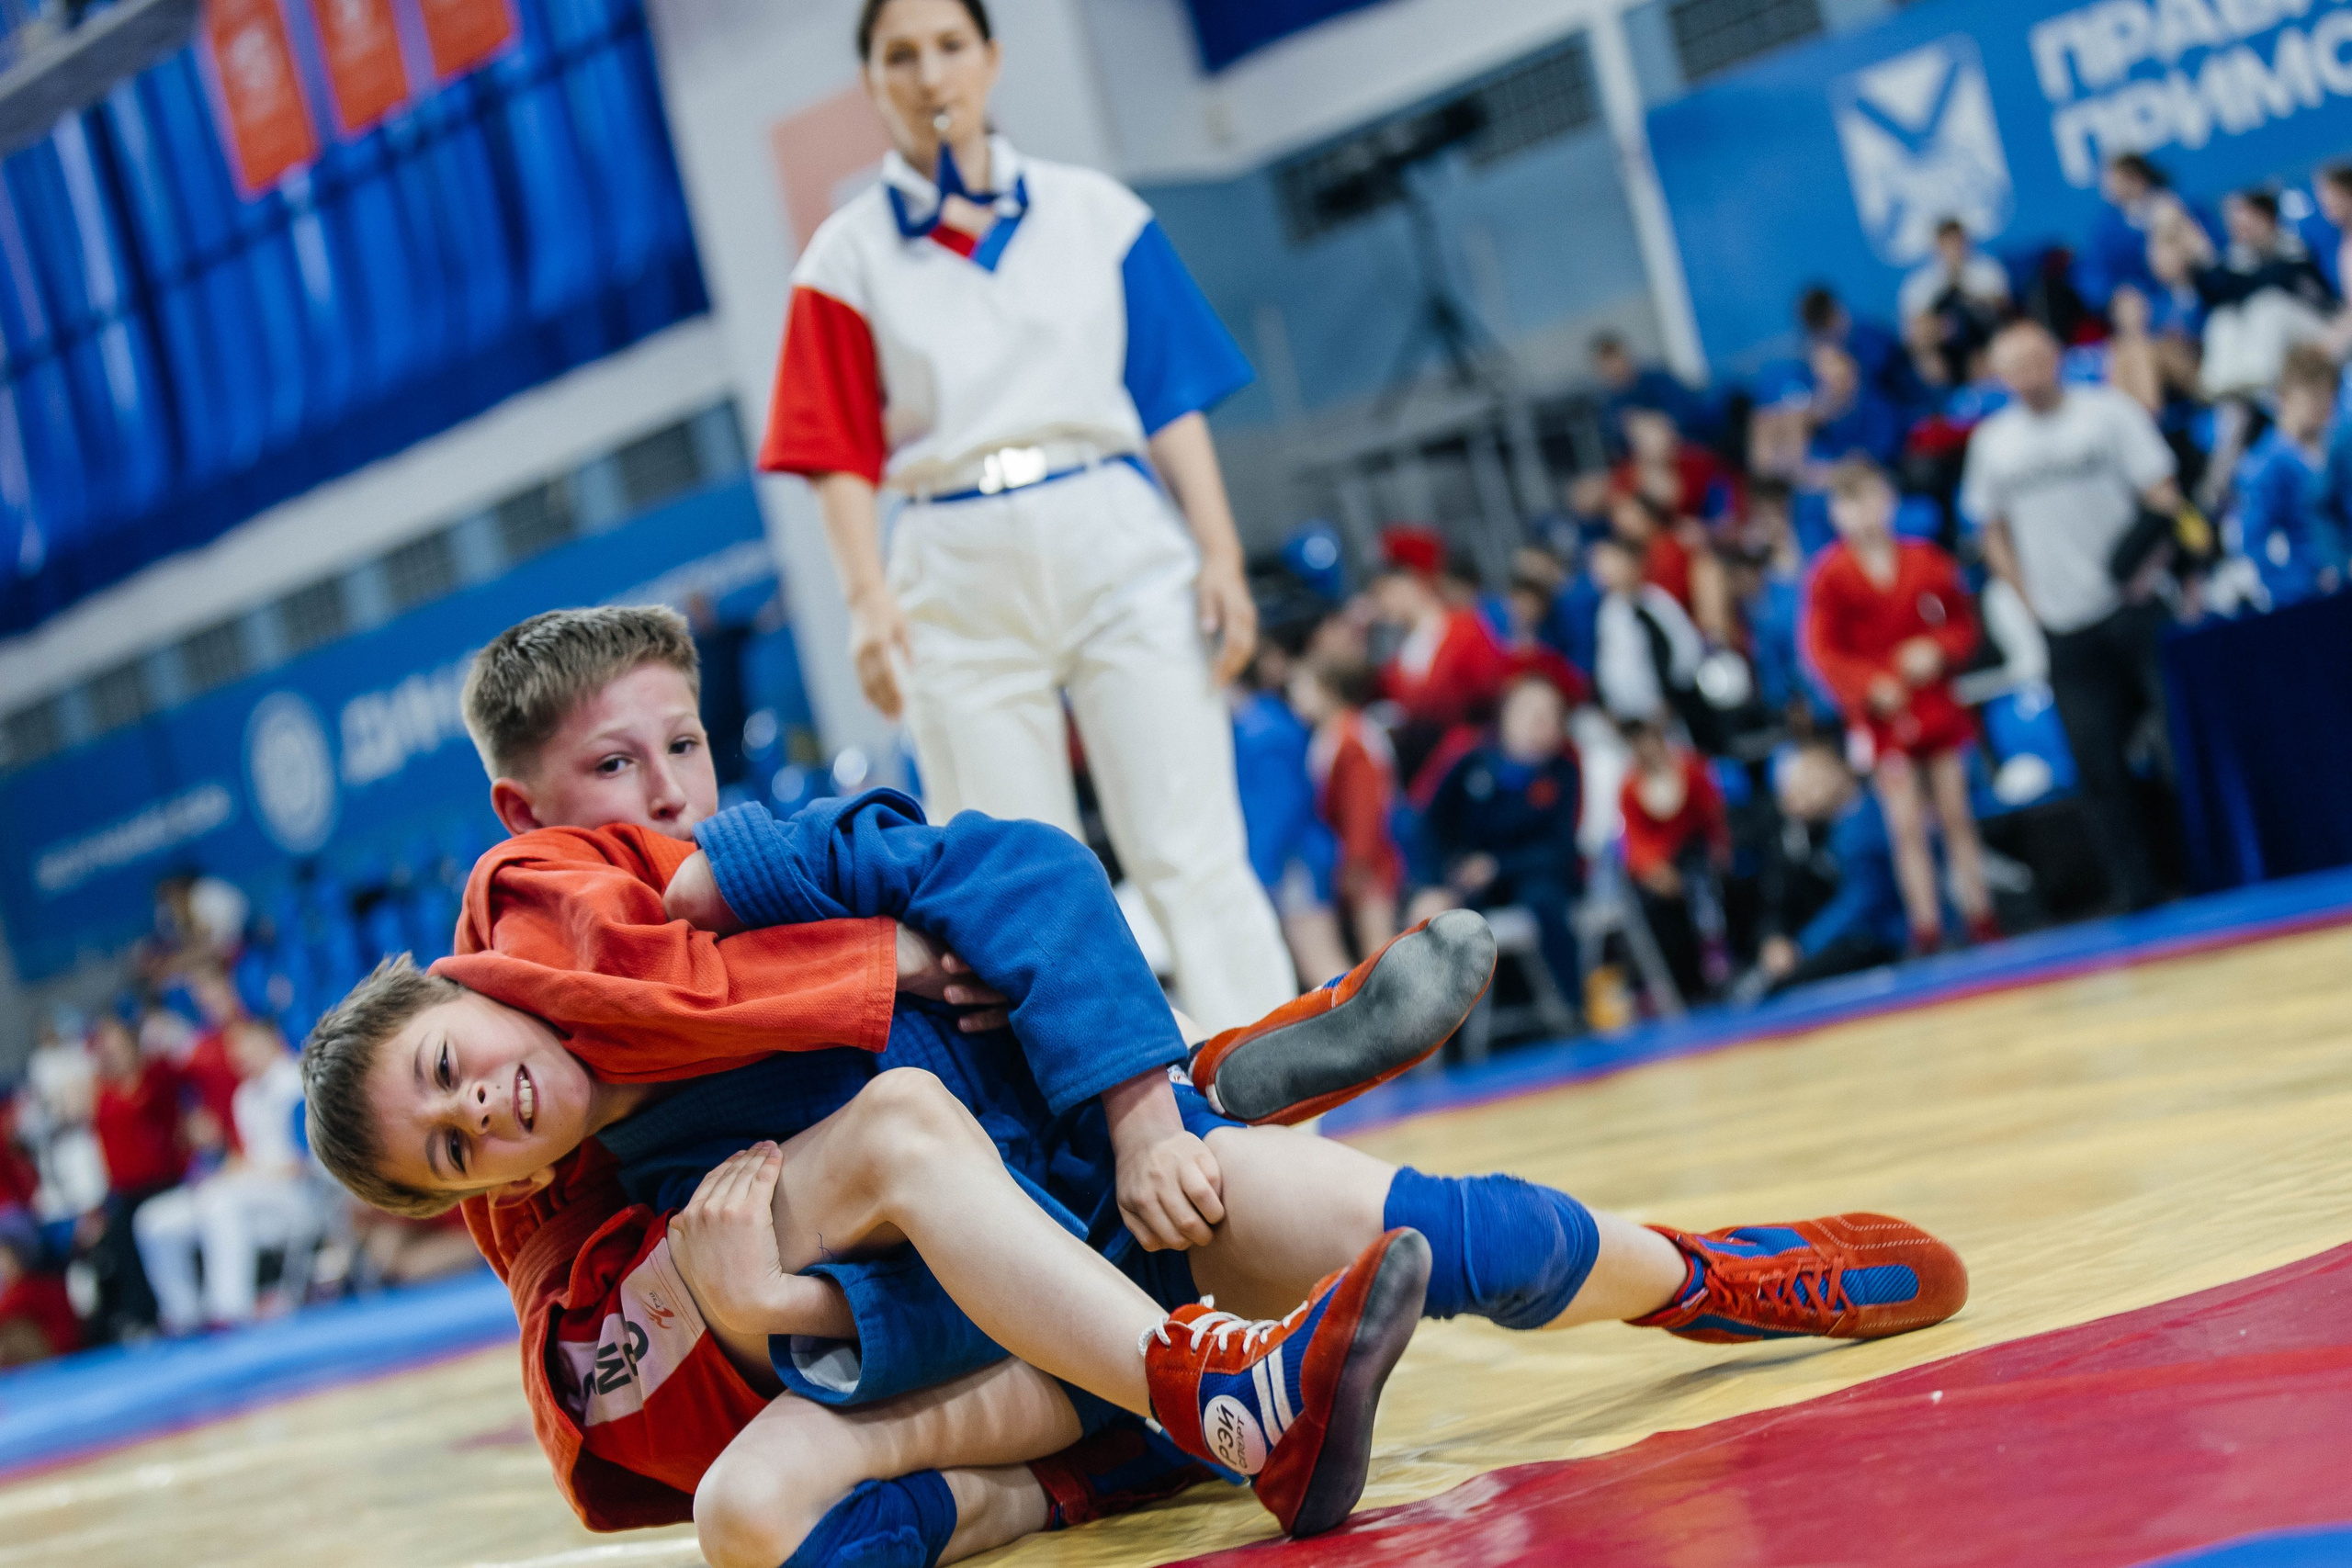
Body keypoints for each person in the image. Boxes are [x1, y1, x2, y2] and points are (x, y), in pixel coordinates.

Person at [315, 601, 1969, 1566]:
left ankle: (1714, 1273)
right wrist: (768, 1315)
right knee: (755, 1509)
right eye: (452, 1144)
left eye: (677, 753)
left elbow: (1013, 869)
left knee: (1410, 1227)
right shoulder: (560, 1142)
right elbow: (630, 1421)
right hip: (955, 1328)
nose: (659, 802)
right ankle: (1178, 1359)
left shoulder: (752, 867)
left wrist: (1129, 1105)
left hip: (1101, 1210)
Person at [761, 0, 1290, 1034]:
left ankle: (1281, 1104)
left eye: (950, 46)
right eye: (899, 56)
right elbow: (836, 452)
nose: (929, 75)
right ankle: (1091, 1119)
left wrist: (1219, 552)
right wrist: (866, 599)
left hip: (1112, 524)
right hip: (949, 549)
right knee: (1019, 868)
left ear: (993, 60)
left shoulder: (1098, 213)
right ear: (870, 82)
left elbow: (1167, 394)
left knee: (1193, 843)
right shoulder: (842, 257)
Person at [1962, 321, 2182, 912]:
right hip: (2064, 624)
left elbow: (2162, 494)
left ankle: (2206, 864)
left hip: (2132, 610)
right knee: (2097, 765)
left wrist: (2145, 563)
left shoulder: (2107, 414)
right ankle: (2136, 891)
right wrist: (2028, 599)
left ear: (2056, 357)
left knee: (2176, 743)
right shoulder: (1994, 444)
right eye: (2016, 365)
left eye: (2037, 358)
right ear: (2000, 375)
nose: (2029, 374)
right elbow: (1992, 531)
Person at [1803, 458, 1995, 953]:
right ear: (1836, 514)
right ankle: (1926, 924)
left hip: (1933, 702)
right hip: (1883, 716)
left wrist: (1938, 651)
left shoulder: (1926, 560)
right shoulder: (1830, 577)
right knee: (1905, 824)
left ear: (1887, 500)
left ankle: (1979, 911)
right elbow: (1824, 652)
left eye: (1868, 499)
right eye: (1849, 504)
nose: (1862, 514)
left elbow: (1962, 625)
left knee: (1955, 812)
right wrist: (1869, 686)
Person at [133, 1019, 318, 1334]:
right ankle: (184, 1317)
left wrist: (247, 1172)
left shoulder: (296, 1082)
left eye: (247, 1045)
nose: (240, 1054)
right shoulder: (245, 1095)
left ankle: (228, 1310)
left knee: (219, 1201)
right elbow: (246, 1154)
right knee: (153, 1220)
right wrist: (227, 1166)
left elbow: (304, 1163)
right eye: (236, 1049)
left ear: (270, 1040)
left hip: (298, 1196)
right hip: (251, 1196)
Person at [1426, 673, 1587, 1009]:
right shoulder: (1472, 763)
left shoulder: (1563, 773)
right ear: (1506, 715)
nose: (1539, 723)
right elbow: (1428, 824)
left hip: (1537, 879)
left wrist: (1498, 867)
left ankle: (1572, 1008)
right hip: (1474, 884)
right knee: (1440, 917)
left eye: (1549, 715)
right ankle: (1451, 1031)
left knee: (1545, 899)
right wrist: (1436, 879)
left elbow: (1561, 851)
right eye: (1530, 711)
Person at [1758, 742, 1909, 995]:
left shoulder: (1857, 827)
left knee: (1789, 985)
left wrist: (1803, 946)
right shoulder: (1842, 824)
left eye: (1808, 786)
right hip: (1868, 934)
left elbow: (1860, 900)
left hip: (1883, 938)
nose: (1801, 798)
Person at [1287, 655, 1405, 963]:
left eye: (1303, 687)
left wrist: (1357, 861)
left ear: (1328, 690)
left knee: (1377, 951)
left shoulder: (1352, 736)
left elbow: (1363, 806)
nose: (1294, 696)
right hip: (1351, 856)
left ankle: (1391, 1010)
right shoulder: (1329, 734)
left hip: (1370, 862)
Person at [1617, 719, 1731, 1003]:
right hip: (1657, 869)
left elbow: (1713, 817)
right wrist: (1654, 871)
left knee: (1703, 887)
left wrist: (1719, 851)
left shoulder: (1691, 770)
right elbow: (1635, 840)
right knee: (1651, 907)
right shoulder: (1630, 787)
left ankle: (1714, 949)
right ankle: (1659, 981)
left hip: (1694, 856)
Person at [85, 1013, 182, 1340]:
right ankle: (133, 1317)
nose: (110, 1051)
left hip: (163, 1182)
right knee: (110, 1242)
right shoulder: (101, 1093)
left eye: (115, 1043)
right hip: (124, 1192)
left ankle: (154, 1313)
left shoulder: (155, 1077)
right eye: (104, 1045)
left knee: (133, 1231)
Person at [2232, 344, 2345, 610]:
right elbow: (2253, 545)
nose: (2322, 405)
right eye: (2313, 395)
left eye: (2328, 395)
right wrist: (2301, 588)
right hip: (2304, 601)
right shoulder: (2262, 466)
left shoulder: (2331, 453)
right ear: (2286, 396)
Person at [1897, 219, 2011, 381]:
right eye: (1947, 243)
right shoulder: (1919, 282)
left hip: (1984, 337)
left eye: (1957, 241)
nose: (1953, 248)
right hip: (1944, 345)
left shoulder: (1987, 269)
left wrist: (1962, 286)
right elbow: (1912, 330)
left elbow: (2002, 309)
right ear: (1937, 245)